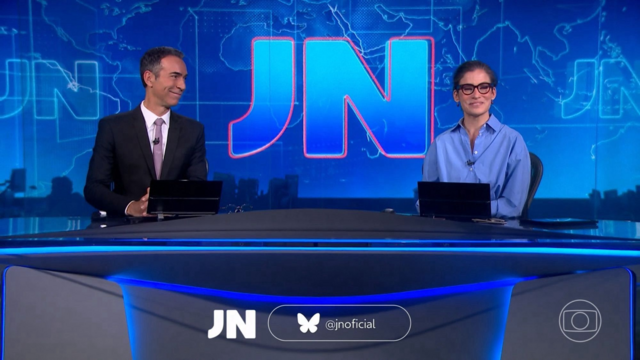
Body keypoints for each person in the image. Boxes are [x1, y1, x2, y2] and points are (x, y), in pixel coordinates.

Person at [84, 46, 207, 216]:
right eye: (175, 77)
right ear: (149, 78)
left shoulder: (193, 130)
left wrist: (166, 199)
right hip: (127, 231)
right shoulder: (113, 127)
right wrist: (132, 207)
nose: (182, 86)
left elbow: (198, 187)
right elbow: (94, 188)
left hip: (175, 231)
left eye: (184, 78)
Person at [422, 60, 530, 218]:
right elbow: (426, 199)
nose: (476, 95)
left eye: (483, 87)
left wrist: (465, 209)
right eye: (467, 88)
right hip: (450, 235)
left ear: (493, 93)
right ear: (456, 95)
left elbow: (513, 206)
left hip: (496, 236)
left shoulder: (513, 141)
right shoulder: (440, 144)